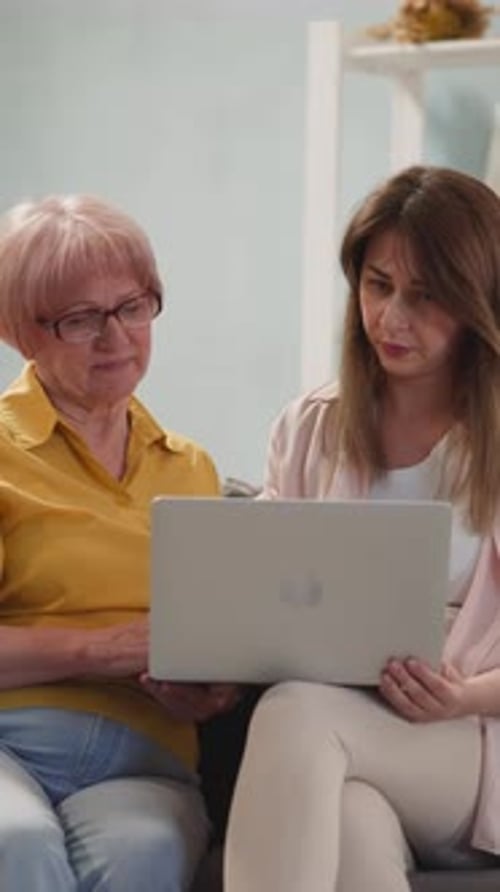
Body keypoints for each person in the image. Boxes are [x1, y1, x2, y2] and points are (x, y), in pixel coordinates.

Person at [224, 165, 500, 891]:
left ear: (478, 302)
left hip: (475, 736)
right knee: (348, 819)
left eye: (425, 295)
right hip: (350, 734)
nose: (392, 318)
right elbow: (261, 586)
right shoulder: (313, 424)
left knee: (296, 719)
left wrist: (464, 696)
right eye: (378, 286)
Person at [0, 194, 238, 892]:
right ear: (20, 332)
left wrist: (207, 691)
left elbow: (214, 640)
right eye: (81, 319)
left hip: (145, 755)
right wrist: (99, 651)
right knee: (16, 843)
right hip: (10, 740)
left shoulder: (190, 466)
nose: (116, 337)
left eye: (133, 307)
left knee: (144, 854)